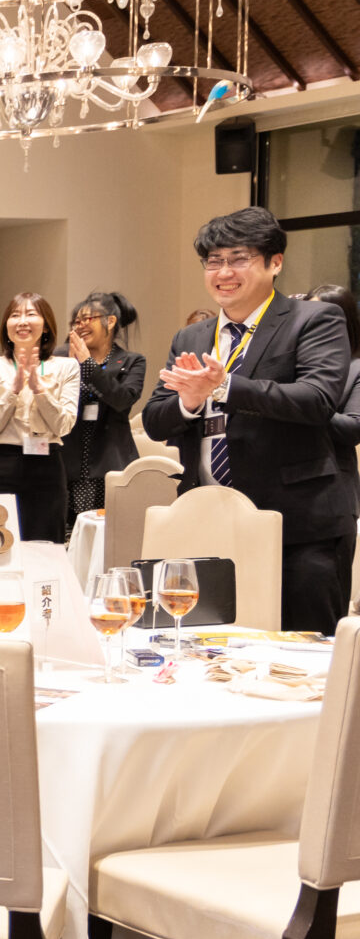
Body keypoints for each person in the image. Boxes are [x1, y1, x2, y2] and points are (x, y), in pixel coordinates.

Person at [145, 208, 352, 632]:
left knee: (302, 652)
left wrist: (225, 387)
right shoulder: (192, 336)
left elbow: (317, 400)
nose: (224, 272)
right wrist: (188, 402)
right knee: (208, 648)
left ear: (275, 262)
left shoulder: (313, 320)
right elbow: (154, 420)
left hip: (298, 525)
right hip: (206, 520)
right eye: (214, 261)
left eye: (238, 259)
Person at [0, 294, 78, 542]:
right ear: (6, 326)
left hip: (47, 468)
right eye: (15, 315)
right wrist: (13, 390)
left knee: (45, 550)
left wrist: (39, 390)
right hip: (2, 466)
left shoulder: (66, 367)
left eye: (31, 314)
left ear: (46, 326)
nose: (22, 321)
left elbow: (64, 426)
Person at [62, 291, 148, 522]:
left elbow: (122, 399)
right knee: (65, 532)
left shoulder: (131, 361)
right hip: (67, 459)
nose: (80, 326)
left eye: (87, 319)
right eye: (76, 321)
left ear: (110, 321)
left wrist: (87, 365)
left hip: (110, 460)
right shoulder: (62, 358)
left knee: (106, 531)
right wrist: (70, 366)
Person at [316, 284, 360, 608]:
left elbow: (353, 428)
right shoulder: (298, 369)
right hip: (283, 498)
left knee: (326, 603)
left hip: (333, 498)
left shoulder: (356, 368)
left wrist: (306, 402)